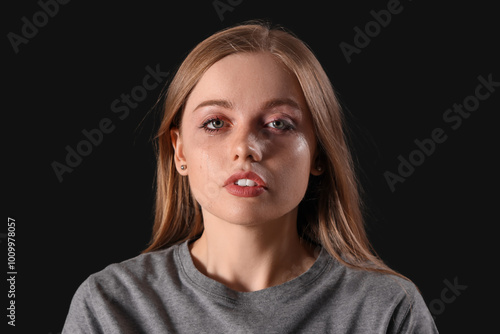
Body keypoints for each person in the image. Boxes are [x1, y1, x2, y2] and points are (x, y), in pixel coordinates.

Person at [63, 21, 438, 333]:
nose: (246, 148)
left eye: (278, 123)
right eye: (215, 123)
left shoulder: (387, 311)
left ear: (319, 154)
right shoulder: (110, 306)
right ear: (179, 152)